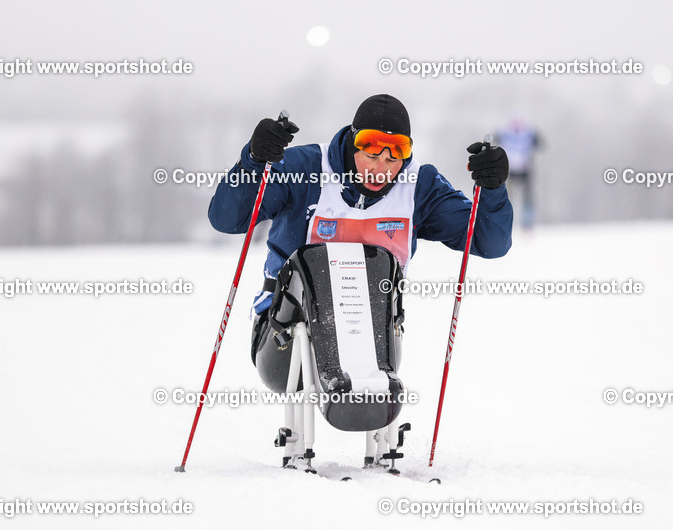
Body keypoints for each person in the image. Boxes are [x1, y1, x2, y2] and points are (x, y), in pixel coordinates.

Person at [207, 94, 513, 386]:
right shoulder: (306, 169)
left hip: (371, 327)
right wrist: (253, 161)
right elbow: (228, 219)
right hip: (288, 324)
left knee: (371, 383)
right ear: (354, 144)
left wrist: (492, 189)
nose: (382, 167)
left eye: (394, 156)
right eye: (371, 153)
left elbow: (490, 241)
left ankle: (374, 412)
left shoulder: (419, 186)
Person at [495, 118, 543, 230]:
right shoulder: (506, 134)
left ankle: (527, 224)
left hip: (524, 170)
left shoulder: (528, 135)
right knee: (506, 196)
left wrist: (536, 139)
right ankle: (504, 220)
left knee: (527, 198)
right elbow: (495, 139)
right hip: (510, 171)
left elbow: (540, 143)